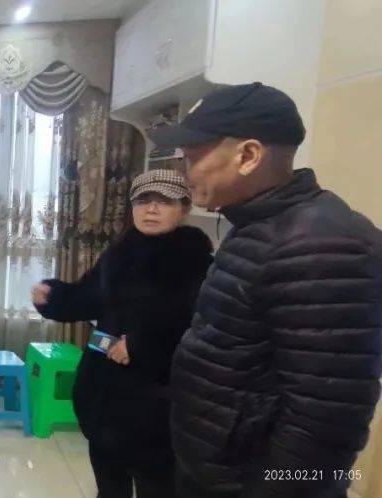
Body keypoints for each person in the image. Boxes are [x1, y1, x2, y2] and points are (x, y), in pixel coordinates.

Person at [149, 82, 382, 498]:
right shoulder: (261, 224)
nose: (185, 171)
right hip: (216, 472)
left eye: (193, 157)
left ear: (248, 156)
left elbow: (324, 420)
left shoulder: (321, 244)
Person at [32, 169, 214, 498]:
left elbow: (202, 326)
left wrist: (145, 345)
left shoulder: (197, 263)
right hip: (104, 396)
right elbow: (88, 297)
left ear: (184, 209)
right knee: (109, 485)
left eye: (164, 201)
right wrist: (54, 297)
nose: (152, 209)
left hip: (156, 402)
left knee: (157, 486)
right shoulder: (120, 253)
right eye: (143, 200)